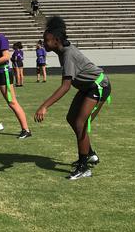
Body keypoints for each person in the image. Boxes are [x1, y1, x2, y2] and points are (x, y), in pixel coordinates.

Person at [34, 16, 111, 180]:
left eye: (46, 40)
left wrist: (44, 106)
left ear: (56, 40)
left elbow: (65, 86)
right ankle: (89, 154)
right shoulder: (62, 50)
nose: (44, 42)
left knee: (80, 123)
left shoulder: (68, 54)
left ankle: (84, 167)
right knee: (71, 118)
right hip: (86, 88)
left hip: (99, 87)